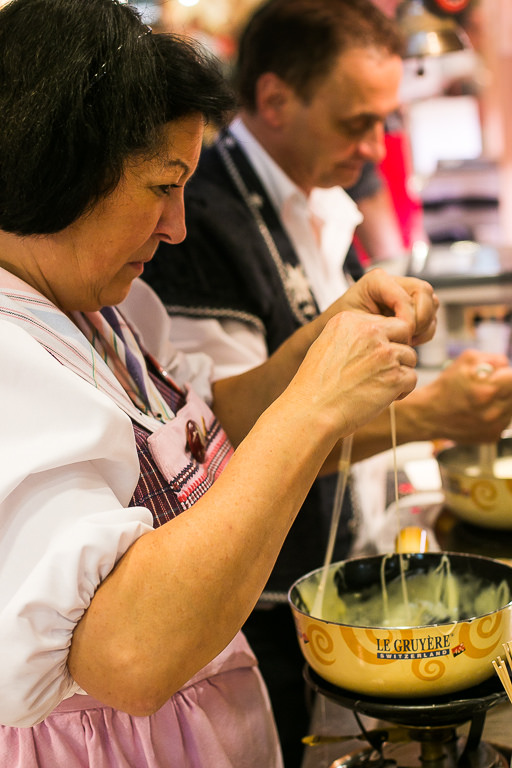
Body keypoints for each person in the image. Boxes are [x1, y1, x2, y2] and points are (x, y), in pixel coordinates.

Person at [0, 1, 439, 767]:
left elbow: (193, 438)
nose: (177, 227)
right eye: (161, 188)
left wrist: (324, 340)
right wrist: (316, 406)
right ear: (64, 166)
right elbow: (126, 657)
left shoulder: (94, 304)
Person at [141, 0, 512, 764]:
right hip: (265, 610)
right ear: (274, 98)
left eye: (386, 123)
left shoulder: (321, 202)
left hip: (340, 575)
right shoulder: (199, 221)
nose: (376, 148)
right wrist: (431, 414)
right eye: (355, 123)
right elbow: (221, 442)